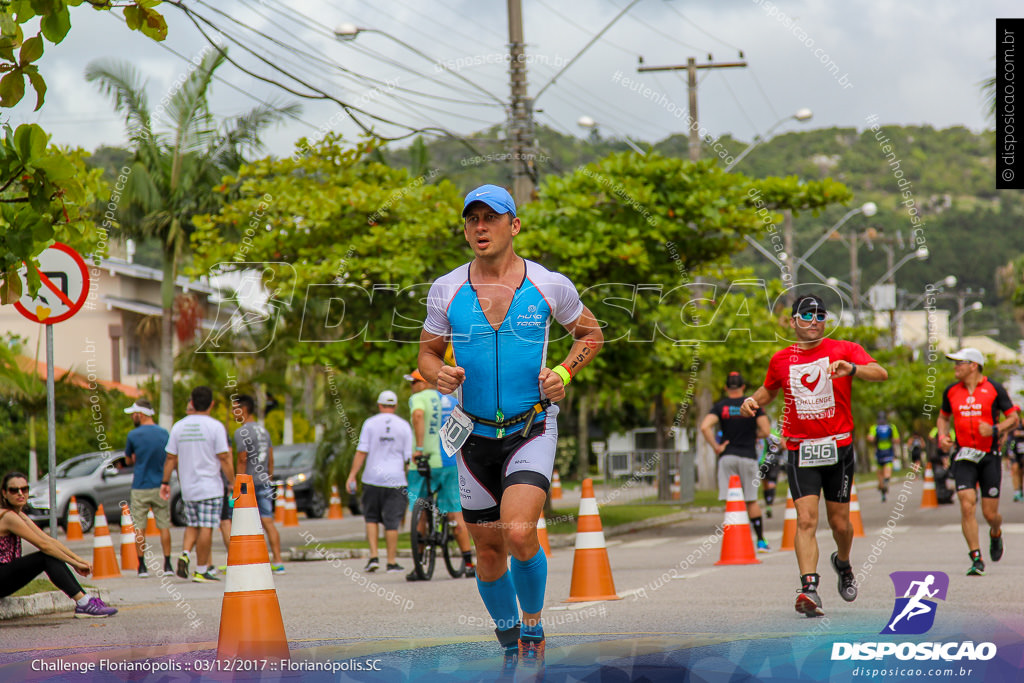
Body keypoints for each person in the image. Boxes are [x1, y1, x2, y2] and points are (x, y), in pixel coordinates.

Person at [418, 184, 603, 669]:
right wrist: (437, 373)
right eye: (472, 219)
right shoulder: (447, 287)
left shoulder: (549, 284)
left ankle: (533, 625)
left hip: (531, 428)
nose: (480, 227)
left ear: (514, 225)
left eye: (491, 218)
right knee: (489, 549)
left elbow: (591, 333)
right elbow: (427, 353)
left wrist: (562, 373)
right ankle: (506, 632)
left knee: (520, 531)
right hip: (472, 435)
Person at [742, 294, 888, 617]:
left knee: (840, 524)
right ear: (793, 322)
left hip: (839, 448)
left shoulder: (844, 349)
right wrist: (753, 400)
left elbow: (880, 372)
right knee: (806, 519)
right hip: (800, 450)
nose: (813, 321)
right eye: (806, 316)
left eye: (819, 315)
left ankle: (843, 563)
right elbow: (769, 389)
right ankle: (809, 589)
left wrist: (852, 369)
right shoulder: (781, 360)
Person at [936, 348, 1018, 576]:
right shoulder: (951, 391)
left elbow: (1013, 418)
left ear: (973, 365)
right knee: (966, 503)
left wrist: (995, 428)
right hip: (964, 455)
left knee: (990, 514)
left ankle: (995, 532)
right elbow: (943, 418)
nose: (955, 367)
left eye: (959, 363)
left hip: (989, 456)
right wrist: (942, 437)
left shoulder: (994, 388)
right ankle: (976, 557)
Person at [0, 472, 117, 617]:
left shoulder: (18, 515)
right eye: (14, 490)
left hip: (5, 575)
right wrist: (74, 563)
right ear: (4, 493)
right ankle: (84, 603)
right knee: (46, 557)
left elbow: (49, 540)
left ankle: (85, 601)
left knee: (49, 555)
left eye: (24, 489)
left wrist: (78, 561)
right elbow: (44, 545)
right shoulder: (7, 517)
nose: (20, 493)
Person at [404, 369, 475, 581]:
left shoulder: (418, 398)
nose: (412, 387)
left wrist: (418, 447)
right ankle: (469, 561)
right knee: (454, 510)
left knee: (421, 508)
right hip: (451, 461)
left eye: (413, 382)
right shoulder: (452, 400)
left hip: (425, 461)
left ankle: (419, 565)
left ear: (423, 383)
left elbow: (418, 415)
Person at [161, 386, 234, 583]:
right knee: (206, 528)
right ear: (211, 404)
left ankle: (185, 553)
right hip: (210, 487)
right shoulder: (215, 427)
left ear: (191, 403)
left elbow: (170, 458)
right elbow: (224, 457)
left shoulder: (178, 426)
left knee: (192, 525)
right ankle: (201, 569)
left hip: (188, 488)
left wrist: (165, 482)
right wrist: (233, 481)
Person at [700, 371, 772, 551]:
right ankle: (761, 541)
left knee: (732, 501)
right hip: (748, 457)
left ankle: (734, 544)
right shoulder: (752, 404)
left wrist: (717, 446)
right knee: (751, 500)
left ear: (725, 388)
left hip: (728, 457)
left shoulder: (720, 406)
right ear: (743, 387)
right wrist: (754, 436)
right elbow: (766, 429)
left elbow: (704, 426)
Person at [346, 390, 413, 575]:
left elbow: (362, 451)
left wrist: (352, 475)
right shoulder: (404, 426)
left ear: (379, 405)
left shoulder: (370, 423)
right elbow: (409, 458)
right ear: (396, 405)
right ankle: (391, 562)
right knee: (392, 522)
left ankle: (373, 557)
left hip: (372, 478)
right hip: (396, 480)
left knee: (371, 518)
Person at [232, 394, 285, 574]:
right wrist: (268, 477)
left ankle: (247, 561)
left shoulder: (241, 432)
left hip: (248, 484)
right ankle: (277, 560)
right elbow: (270, 457)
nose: (233, 413)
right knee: (268, 521)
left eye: (235, 409)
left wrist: (237, 483)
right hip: (264, 481)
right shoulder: (264, 431)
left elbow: (241, 459)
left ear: (244, 410)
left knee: (243, 523)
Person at [123, 399, 173, 578]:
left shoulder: (133, 435)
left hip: (140, 486)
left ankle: (142, 566)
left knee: (139, 527)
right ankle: (168, 564)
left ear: (141, 414)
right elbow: (169, 457)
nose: (132, 417)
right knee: (164, 525)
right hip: (160, 485)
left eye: (133, 414)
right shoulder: (164, 433)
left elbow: (129, 460)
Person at [868, 411, 901, 502]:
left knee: (879, 472)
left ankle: (882, 488)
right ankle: (886, 481)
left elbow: (870, 438)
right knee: (888, 467)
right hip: (889, 451)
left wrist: (876, 439)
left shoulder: (875, 428)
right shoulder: (891, 427)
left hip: (878, 452)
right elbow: (897, 440)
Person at [759, 428, 785, 518]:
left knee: (765, 485)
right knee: (772, 483)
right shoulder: (776, 433)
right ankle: (770, 505)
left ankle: (767, 504)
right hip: (775, 461)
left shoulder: (761, 432)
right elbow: (784, 446)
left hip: (764, 461)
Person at [1005, 423, 1024, 502]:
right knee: (1015, 468)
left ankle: (1020, 488)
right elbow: (1008, 437)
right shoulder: (1015, 425)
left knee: (1021, 472)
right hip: (1014, 450)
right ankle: (1016, 492)